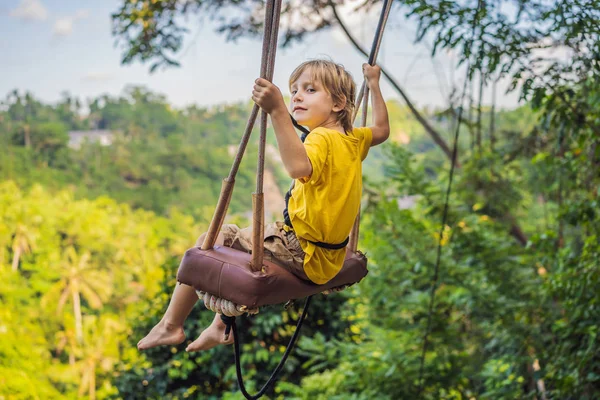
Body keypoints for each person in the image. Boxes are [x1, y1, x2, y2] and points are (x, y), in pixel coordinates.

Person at [137, 59, 390, 352]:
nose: (297, 96)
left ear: (338, 103)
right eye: (294, 90)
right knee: (237, 244)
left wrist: (278, 110)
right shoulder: (354, 138)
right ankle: (220, 326)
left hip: (299, 249)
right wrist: (374, 83)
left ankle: (171, 325)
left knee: (213, 241)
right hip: (327, 257)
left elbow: (297, 167)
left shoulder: (321, 138)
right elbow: (382, 129)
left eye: (310, 90)